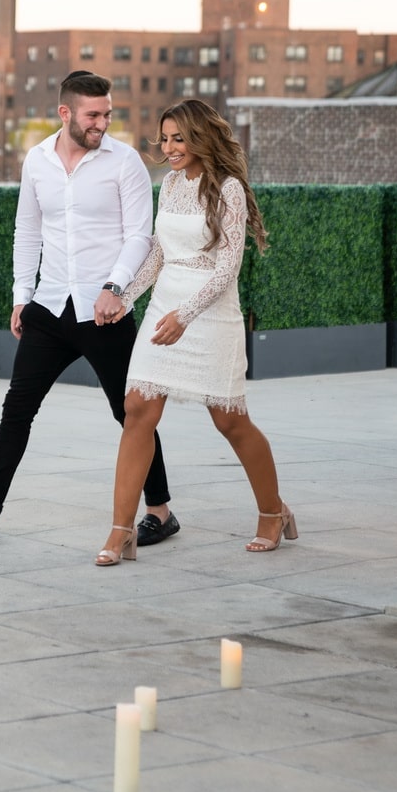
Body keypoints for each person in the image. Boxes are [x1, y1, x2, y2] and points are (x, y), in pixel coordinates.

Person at [0, 70, 177, 550]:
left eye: (107, 113)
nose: (102, 122)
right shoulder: (38, 160)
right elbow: (28, 231)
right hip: (48, 305)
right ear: (65, 113)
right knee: (16, 410)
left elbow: (138, 237)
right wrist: (22, 295)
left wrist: (115, 288)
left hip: (106, 310)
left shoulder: (124, 163)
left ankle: (160, 513)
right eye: (93, 114)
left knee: (131, 414)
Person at [99, 98, 291, 564]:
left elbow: (228, 268)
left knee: (230, 420)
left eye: (178, 138)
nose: (170, 147)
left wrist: (185, 316)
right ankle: (120, 530)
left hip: (208, 314)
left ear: (201, 137)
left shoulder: (227, 189)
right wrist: (125, 297)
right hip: (165, 304)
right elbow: (160, 255)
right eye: (165, 139)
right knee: (137, 409)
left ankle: (272, 513)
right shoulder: (169, 186)